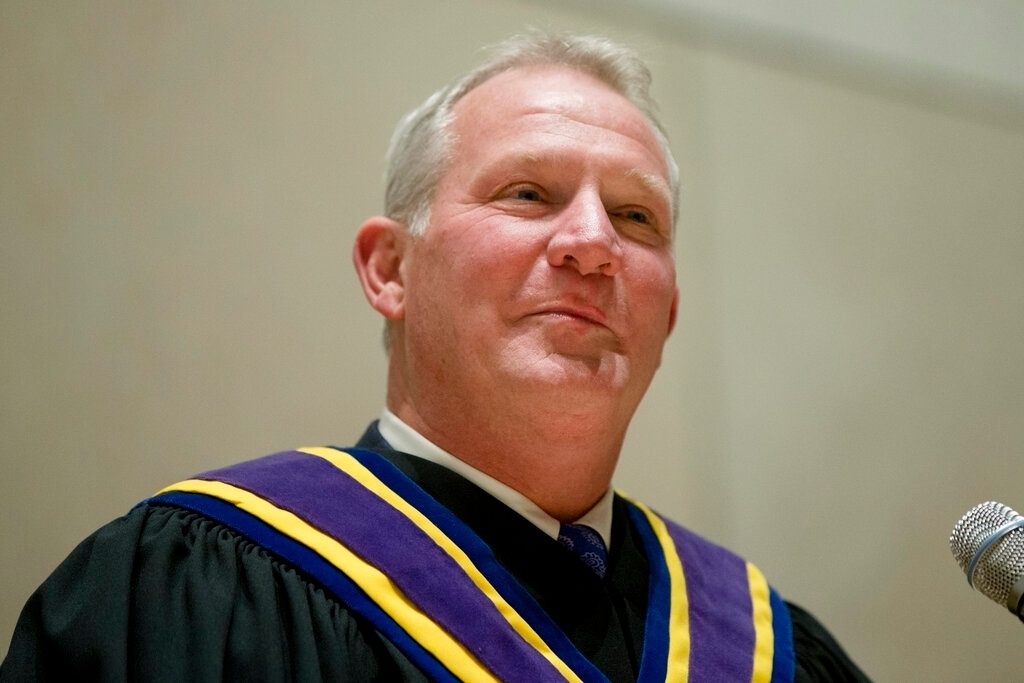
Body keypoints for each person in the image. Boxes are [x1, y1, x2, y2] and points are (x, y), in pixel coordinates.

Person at [2, 31, 869, 682]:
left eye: (636, 218)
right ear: (390, 269)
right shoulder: (201, 589)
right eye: (528, 193)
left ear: (668, 309)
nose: (594, 244)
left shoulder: (767, 651)